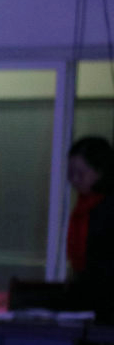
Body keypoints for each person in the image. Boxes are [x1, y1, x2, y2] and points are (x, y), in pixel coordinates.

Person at [66, 136, 114, 321]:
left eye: (81, 173)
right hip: (89, 298)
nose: (74, 179)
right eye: (71, 173)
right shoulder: (84, 206)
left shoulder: (106, 208)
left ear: (100, 172)